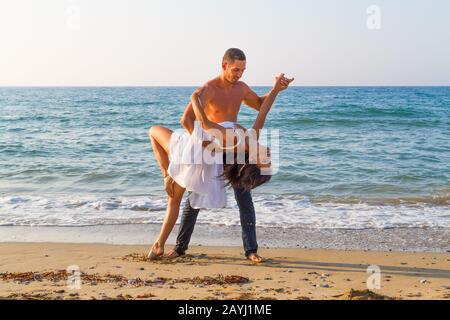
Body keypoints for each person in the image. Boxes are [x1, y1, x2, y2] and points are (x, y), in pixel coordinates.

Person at [149, 48, 294, 262]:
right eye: (236, 69)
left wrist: (276, 89)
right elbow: (187, 121)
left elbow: (261, 107)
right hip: (210, 145)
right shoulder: (210, 89)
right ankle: (180, 247)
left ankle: (251, 250)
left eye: (243, 70)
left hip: (231, 149)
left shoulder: (242, 89)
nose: (239, 74)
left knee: (243, 196)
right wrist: (205, 144)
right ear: (224, 65)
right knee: (194, 197)